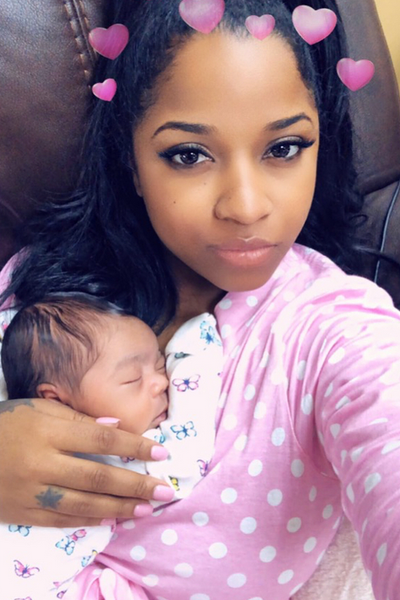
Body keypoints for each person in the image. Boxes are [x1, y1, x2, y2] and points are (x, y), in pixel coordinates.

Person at [0, 0, 399, 598]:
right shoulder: (37, 289)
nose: (246, 206)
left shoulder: (332, 330)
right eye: (189, 155)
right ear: (130, 157)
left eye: (285, 147)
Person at [0, 293, 222, 598]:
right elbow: (180, 469)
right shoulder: (112, 454)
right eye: (132, 379)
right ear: (56, 401)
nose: (162, 382)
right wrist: (192, 353)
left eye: (160, 363)